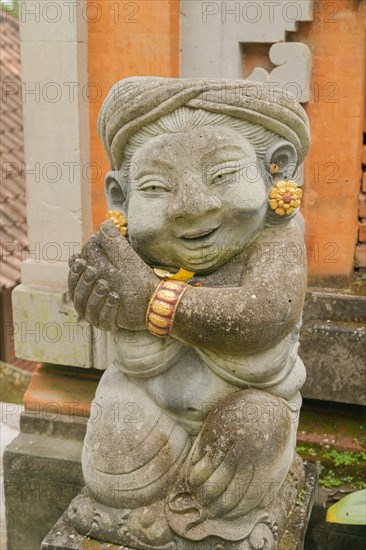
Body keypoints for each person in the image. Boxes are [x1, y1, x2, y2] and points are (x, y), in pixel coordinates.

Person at [68, 77, 310, 549]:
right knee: (110, 479)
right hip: (149, 398)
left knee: (252, 434)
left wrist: (151, 302)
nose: (193, 206)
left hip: (246, 407)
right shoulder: (129, 245)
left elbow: (263, 316)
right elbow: (104, 307)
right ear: (121, 197)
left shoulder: (277, 236)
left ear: (276, 169)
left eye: (223, 175)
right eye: (156, 187)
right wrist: (92, 294)